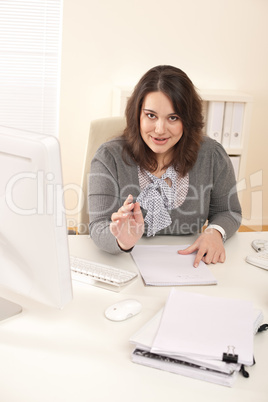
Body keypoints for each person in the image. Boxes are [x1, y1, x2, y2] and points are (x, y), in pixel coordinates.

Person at [88, 65, 242, 267]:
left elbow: (229, 211)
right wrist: (121, 240)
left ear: (188, 120)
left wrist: (215, 232)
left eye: (173, 117)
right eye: (151, 115)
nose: (160, 130)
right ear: (137, 115)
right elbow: (98, 225)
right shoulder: (109, 157)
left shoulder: (212, 155)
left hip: (190, 264)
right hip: (125, 264)